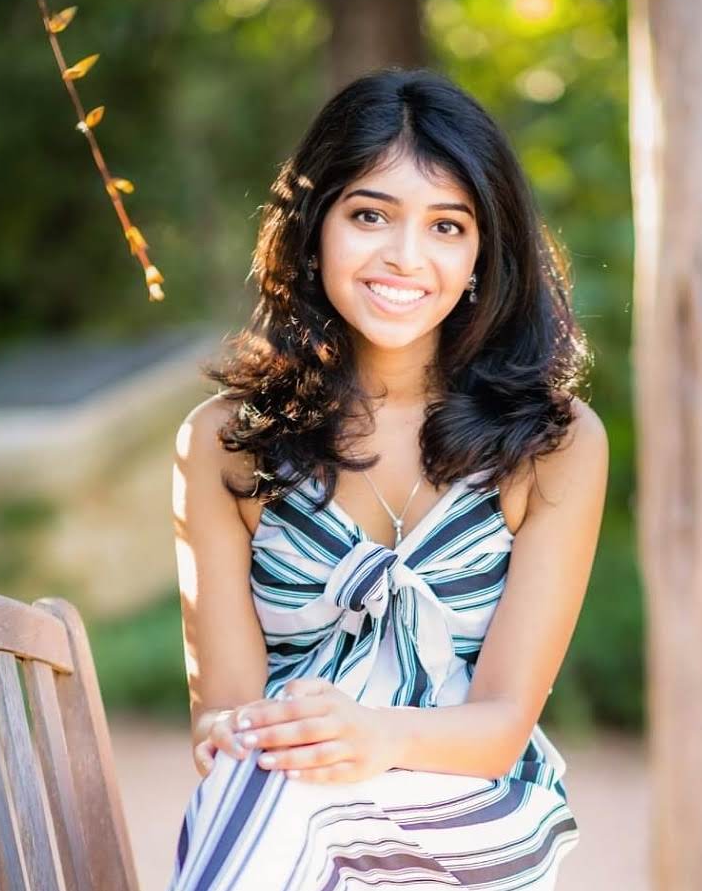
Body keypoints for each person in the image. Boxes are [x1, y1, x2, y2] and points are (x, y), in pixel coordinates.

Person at [168, 66, 608, 891]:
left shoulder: (551, 442)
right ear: (313, 228)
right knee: (274, 786)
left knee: (286, 797)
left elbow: (501, 725)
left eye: (447, 226)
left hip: (475, 815)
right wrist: (270, 736)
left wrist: (374, 736)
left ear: (482, 251)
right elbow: (217, 717)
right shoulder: (224, 443)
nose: (405, 257)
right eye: (370, 215)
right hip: (281, 802)